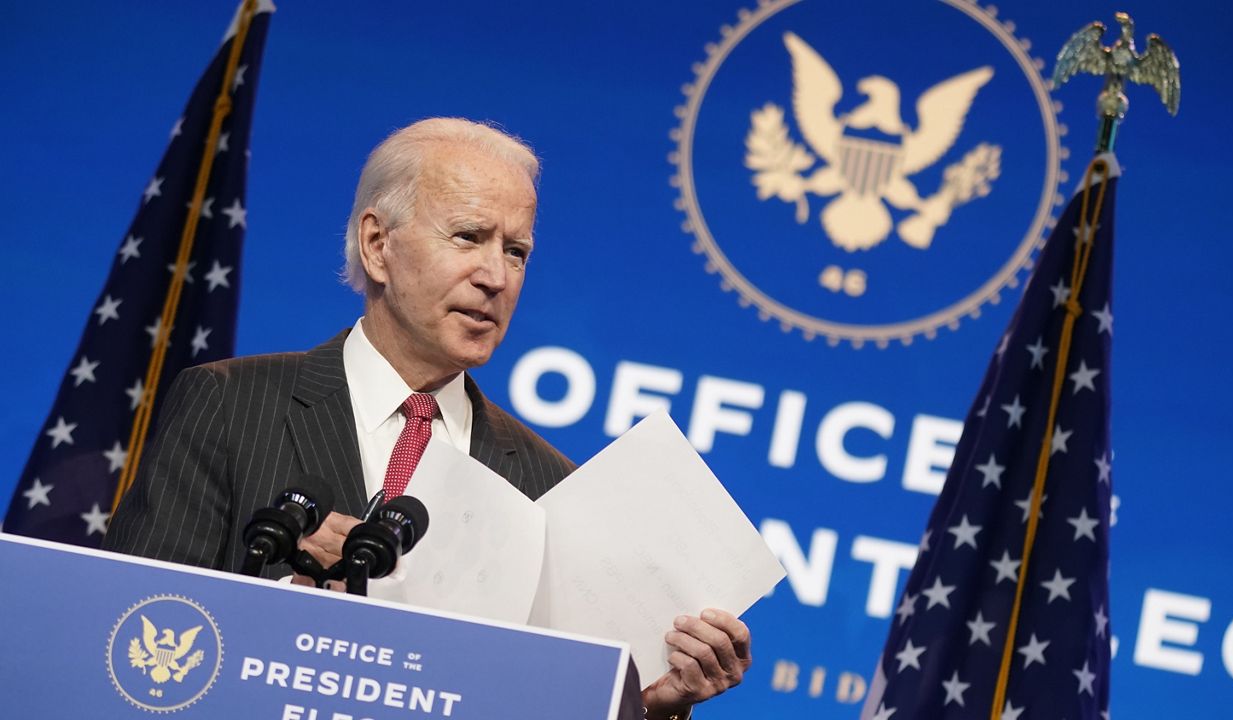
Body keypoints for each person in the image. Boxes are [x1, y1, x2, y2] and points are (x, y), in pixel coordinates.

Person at [103, 117, 751, 720]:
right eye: (468, 237)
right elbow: (128, 640)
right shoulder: (230, 405)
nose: (496, 276)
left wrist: (644, 708)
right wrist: (292, 605)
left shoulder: (548, 486)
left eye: (517, 251)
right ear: (378, 244)